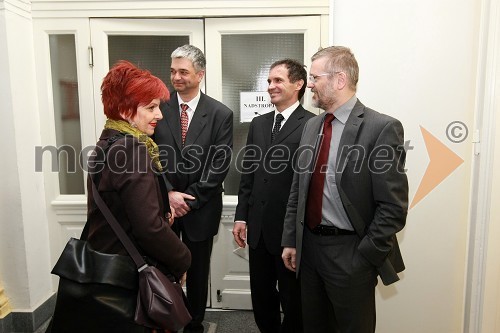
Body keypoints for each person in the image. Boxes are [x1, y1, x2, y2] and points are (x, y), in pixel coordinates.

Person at [281, 46, 409, 333]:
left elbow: (393, 207)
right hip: (310, 250)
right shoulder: (312, 126)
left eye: (314, 77)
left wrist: (364, 256)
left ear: (339, 80)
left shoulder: (381, 128)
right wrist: (292, 239)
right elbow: (298, 190)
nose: (309, 84)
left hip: (351, 253)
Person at [77, 60, 191, 332]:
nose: (159, 115)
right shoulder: (130, 149)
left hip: (109, 267)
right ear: (126, 110)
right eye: (151, 107)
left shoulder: (107, 141)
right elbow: (148, 229)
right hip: (129, 273)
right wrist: (183, 259)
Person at [154, 45, 233, 333]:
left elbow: (220, 162)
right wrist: (169, 194)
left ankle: (194, 322)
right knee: (164, 266)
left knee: (198, 270)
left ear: (200, 74)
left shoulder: (220, 113)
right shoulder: (157, 107)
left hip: (202, 207)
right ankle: (165, 318)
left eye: (183, 72)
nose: (176, 77)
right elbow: (148, 155)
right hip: (164, 206)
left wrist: (191, 198)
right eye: (173, 71)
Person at [232, 59, 314, 333]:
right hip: (258, 229)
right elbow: (249, 175)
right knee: (262, 296)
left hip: (289, 233)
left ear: (299, 84)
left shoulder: (312, 125)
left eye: (278, 80)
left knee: (293, 300)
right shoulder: (259, 124)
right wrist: (241, 217)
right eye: (269, 81)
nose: (271, 86)